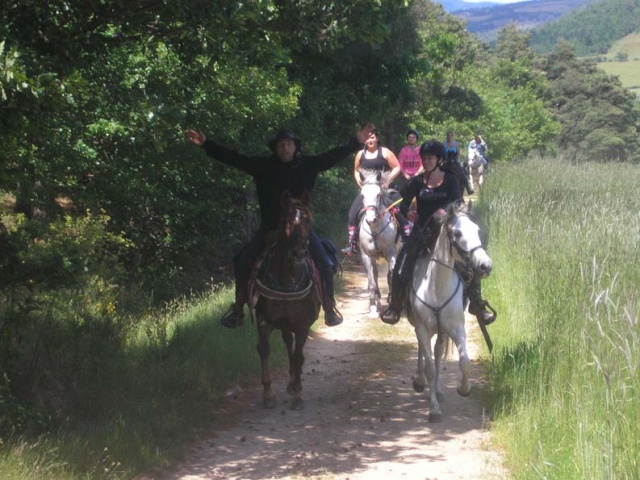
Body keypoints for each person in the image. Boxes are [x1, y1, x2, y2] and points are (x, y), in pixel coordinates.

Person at [186, 125, 375, 328]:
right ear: (276, 148)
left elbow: (332, 156)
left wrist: (355, 142)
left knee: (325, 263)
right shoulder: (263, 166)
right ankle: (238, 308)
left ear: (295, 147)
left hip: (301, 229)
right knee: (242, 260)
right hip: (270, 228)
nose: (285, 148)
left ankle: (329, 307)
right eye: (282, 145)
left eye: (289, 145)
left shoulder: (307, 165)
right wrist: (206, 144)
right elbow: (234, 158)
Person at [380, 140, 496, 326]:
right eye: (424, 158)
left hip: (447, 231)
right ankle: (395, 305)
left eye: (430, 158)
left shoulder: (450, 179)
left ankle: (477, 304)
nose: (426, 162)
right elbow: (403, 203)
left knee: (468, 261)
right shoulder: (417, 182)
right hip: (422, 231)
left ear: (439, 160)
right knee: (402, 262)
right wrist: (407, 212)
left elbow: (457, 203)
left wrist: (444, 212)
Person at [342, 129, 411, 255]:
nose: (370, 140)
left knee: (396, 207)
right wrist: (359, 181)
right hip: (367, 191)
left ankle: (406, 236)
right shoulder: (360, 154)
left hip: (383, 189)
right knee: (353, 212)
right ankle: (352, 243)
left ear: (377, 138)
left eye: (372, 137)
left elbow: (397, 167)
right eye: (367, 138)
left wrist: (388, 179)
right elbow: (357, 170)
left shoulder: (385, 152)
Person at [444, 131, 474, 195]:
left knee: (462, 174)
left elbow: (458, 153)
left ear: (452, 136)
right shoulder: (444, 144)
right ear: (447, 137)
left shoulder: (456, 144)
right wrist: (446, 160)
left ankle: (468, 188)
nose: (449, 137)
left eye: (450, 135)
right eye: (448, 136)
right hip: (447, 162)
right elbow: (443, 154)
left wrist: (455, 159)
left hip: (455, 161)